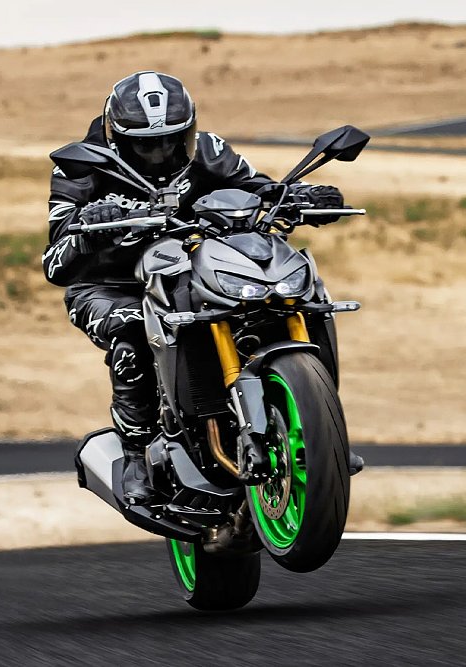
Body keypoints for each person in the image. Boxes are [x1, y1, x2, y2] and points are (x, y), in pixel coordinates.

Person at [43, 71, 344, 505]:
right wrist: (90, 229)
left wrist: (301, 196)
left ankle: (319, 429)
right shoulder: (80, 167)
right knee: (133, 331)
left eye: (173, 140)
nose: (162, 152)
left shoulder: (209, 151)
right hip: (110, 286)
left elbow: (258, 190)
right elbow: (55, 263)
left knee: (301, 299)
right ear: (115, 137)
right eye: (146, 143)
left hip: (193, 269)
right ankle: (136, 453)